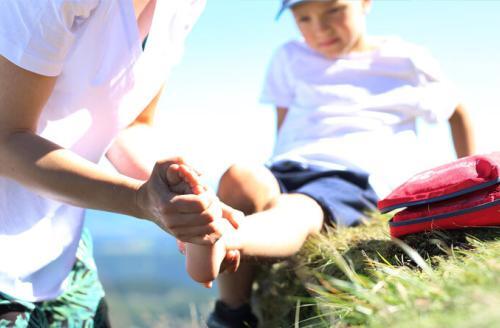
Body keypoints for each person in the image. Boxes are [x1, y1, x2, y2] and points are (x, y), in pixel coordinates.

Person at [181, 0, 475, 327]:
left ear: (364, 3)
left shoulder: (405, 60)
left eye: (333, 10)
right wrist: (270, 175)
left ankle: (224, 237)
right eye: (303, 18)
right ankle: (231, 311)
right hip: (290, 163)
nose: (319, 28)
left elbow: (458, 113)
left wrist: (468, 183)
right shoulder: (289, 57)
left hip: (352, 173)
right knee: (239, 176)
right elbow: (286, 125)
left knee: (295, 209)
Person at [0, 0, 242, 325]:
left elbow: (130, 125)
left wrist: (186, 198)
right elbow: (6, 140)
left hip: (59, 248)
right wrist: (141, 201)